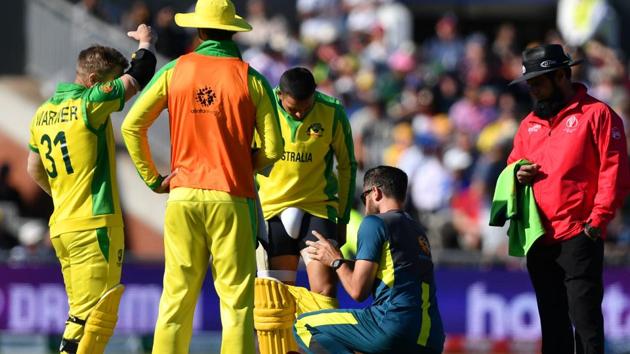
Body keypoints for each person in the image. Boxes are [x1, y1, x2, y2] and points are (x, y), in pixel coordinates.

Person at [120, 0, 283, 353]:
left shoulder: (176, 70)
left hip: (183, 195)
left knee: (176, 298)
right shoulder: (251, 78)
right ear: (233, 31)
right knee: (237, 304)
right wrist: (240, 165)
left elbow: (132, 126)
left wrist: (153, 178)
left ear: (200, 30)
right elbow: (274, 146)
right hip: (232, 197)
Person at [26, 24, 157, 354]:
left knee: (80, 315)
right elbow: (140, 74)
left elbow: (33, 168)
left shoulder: (42, 113)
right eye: (111, 79)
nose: (115, 88)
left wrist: (63, 194)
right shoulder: (89, 104)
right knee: (95, 318)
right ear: (95, 81)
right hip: (94, 225)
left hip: (63, 227)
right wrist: (145, 42)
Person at [507, 44, 630, 354]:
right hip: (540, 237)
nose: (533, 90)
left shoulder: (598, 114)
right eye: (530, 83)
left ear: (561, 75)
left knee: (586, 324)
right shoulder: (528, 125)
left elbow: (614, 172)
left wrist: (595, 223)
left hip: (579, 235)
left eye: (538, 82)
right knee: (553, 326)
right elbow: (512, 166)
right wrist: (517, 174)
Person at [253, 67, 357, 353]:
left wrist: (344, 217)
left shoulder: (332, 110)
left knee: (323, 292)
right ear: (280, 95)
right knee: (277, 299)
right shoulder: (263, 106)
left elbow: (348, 166)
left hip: (317, 210)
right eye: (293, 109)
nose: (300, 114)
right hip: (272, 211)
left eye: (306, 107)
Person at [295, 165, 445, 354]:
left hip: (393, 326)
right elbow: (391, 271)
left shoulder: (375, 223)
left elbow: (358, 291)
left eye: (363, 197)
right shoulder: (417, 230)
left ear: (375, 192)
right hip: (431, 337)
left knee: (304, 325)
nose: (364, 205)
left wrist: (336, 261)